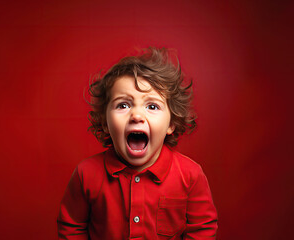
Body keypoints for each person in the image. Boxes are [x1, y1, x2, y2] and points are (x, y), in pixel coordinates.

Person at [57, 47, 218, 239]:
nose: (137, 115)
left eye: (152, 106)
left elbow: (202, 230)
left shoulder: (191, 176)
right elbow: (71, 227)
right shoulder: (86, 174)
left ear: (172, 123)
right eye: (123, 105)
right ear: (105, 123)